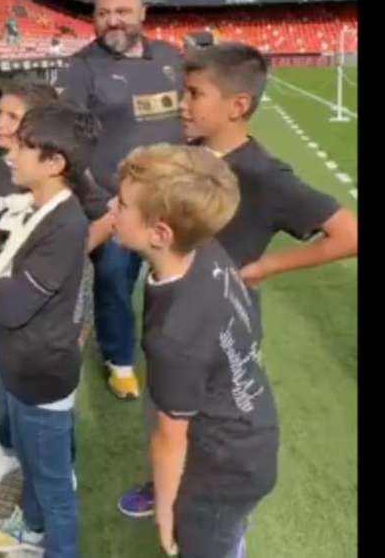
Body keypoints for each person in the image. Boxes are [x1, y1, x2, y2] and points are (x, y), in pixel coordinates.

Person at [118, 42, 358, 520]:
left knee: (206, 426)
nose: (181, 104)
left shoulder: (265, 175)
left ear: (237, 106)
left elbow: (348, 234)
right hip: (171, 316)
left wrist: (262, 268)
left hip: (219, 332)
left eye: (194, 94)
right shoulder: (189, 158)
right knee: (165, 409)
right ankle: (162, 480)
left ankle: (198, 502)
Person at [112, 144, 279, 558]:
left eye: (122, 204)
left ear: (160, 233)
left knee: (204, 544)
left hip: (224, 467)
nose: (111, 208)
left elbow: (171, 438)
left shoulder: (175, 336)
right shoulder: (203, 248)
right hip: (248, 434)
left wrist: (166, 511)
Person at [0, 102, 97, 557]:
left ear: (55, 163)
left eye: (24, 146)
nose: (12, 154)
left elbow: (6, 305)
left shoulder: (65, 224)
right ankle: (31, 528)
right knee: (35, 470)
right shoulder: (42, 207)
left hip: (40, 376)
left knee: (55, 486)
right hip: (24, 369)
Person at [59, 0, 185, 401]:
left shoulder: (170, 58)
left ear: (142, 13)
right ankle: (120, 359)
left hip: (172, 201)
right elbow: (68, 142)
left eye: (122, 12)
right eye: (102, 13)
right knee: (114, 279)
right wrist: (101, 201)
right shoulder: (80, 68)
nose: (112, 20)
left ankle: (168, 349)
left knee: (174, 280)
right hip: (113, 204)